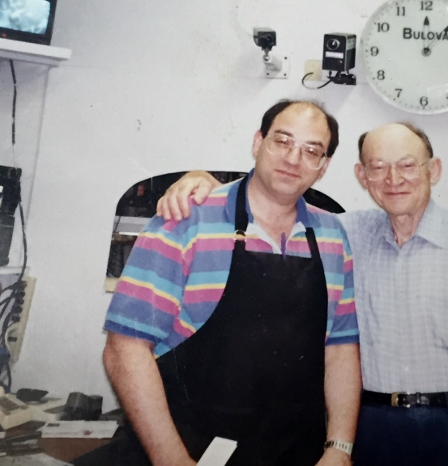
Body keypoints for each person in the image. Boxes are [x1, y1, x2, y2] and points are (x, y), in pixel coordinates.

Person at [157, 122, 448, 466]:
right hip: (370, 432)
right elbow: (275, 202)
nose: (394, 178)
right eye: (377, 167)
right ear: (362, 175)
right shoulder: (341, 236)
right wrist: (201, 182)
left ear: (433, 170)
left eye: (407, 165)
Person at [87, 100, 361, 466]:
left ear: (323, 167)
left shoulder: (332, 235)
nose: (294, 159)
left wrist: (339, 448)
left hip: (294, 453)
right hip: (186, 448)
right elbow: (125, 350)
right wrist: (172, 460)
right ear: (257, 142)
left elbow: (341, 349)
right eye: (282, 141)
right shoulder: (186, 220)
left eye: (311, 150)